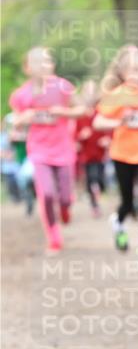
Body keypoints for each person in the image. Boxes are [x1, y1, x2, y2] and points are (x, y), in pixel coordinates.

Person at [9, 47, 84, 252]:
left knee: (66, 196)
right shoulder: (21, 95)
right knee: (47, 194)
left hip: (64, 149)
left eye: (48, 61)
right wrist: (25, 118)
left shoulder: (63, 87)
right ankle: (54, 238)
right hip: (39, 150)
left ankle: (66, 208)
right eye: (38, 62)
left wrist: (64, 111)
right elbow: (15, 121)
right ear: (27, 68)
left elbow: (81, 110)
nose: (44, 66)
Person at [93, 46, 138, 271]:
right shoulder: (118, 94)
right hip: (123, 155)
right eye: (133, 70)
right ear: (122, 73)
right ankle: (118, 222)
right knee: (128, 202)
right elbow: (98, 123)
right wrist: (119, 121)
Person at [74, 79, 109, 218]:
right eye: (87, 91)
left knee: (100, 179)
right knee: (91, 178)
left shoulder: (102, 111)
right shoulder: (80, 114)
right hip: (86, 154)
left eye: (93, 91)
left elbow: (109, 129)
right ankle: (94, 205)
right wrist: (80, 137)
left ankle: (99, 192)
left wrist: (108, 139)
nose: (90, 95)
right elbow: (74, 134)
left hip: (100, 153)